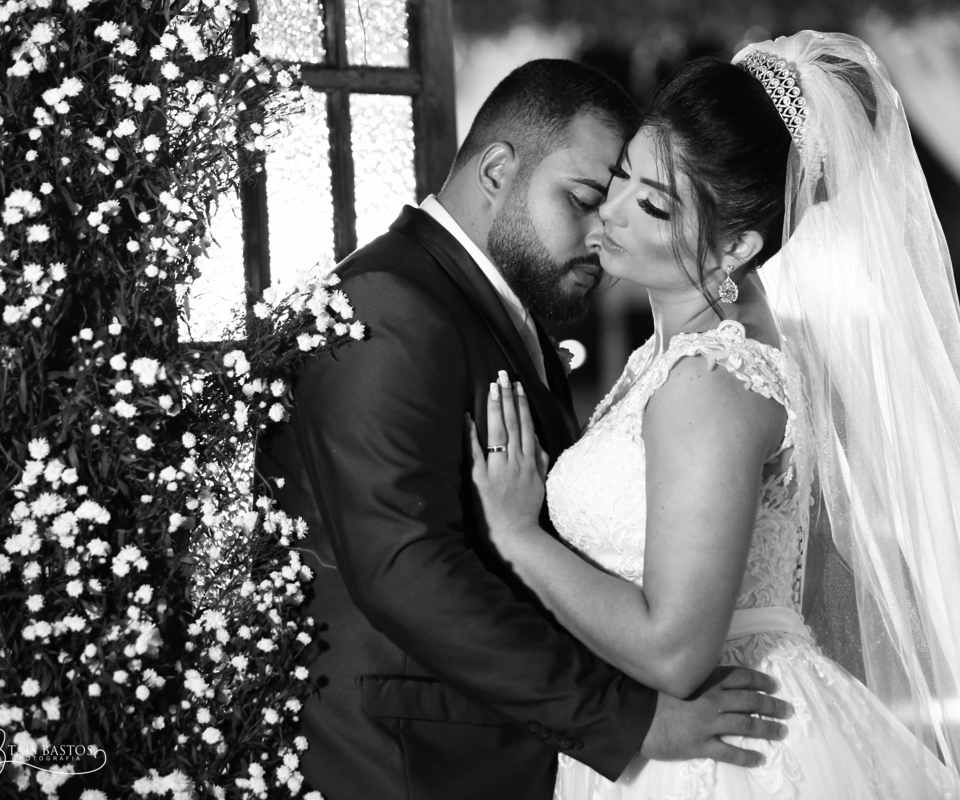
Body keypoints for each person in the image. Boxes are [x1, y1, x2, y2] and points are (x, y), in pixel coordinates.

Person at [469, 33, 960, 799]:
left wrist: (517, 536)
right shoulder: (670, 357)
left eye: (652, 204)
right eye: (620, 178)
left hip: (720, 753)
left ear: (737, 246)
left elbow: (676, 651)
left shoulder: (713, 379)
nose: (608, 212)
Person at [255, 59, 793, 800]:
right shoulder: (387, 305)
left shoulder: (519, 317)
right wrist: (628, 721)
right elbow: (405, 567)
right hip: (411, 762)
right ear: (497, 170)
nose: (604, 227)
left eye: (640, 199)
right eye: (588, 196)